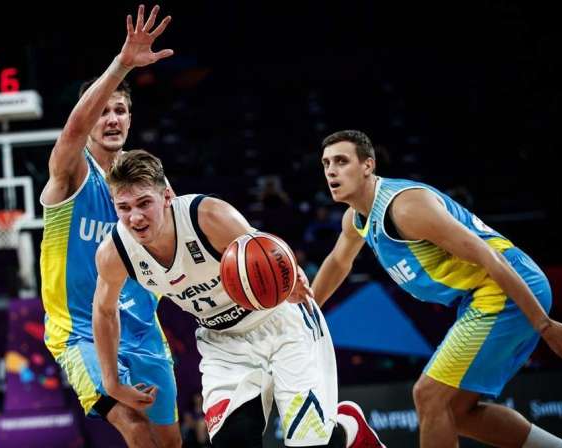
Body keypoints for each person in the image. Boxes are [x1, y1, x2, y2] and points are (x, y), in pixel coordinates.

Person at [93, 150, 385, 448]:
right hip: (223, 342)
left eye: (144, 203)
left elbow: (268, 253)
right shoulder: (114, 252)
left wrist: (292, 276)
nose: (135, 217)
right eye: (124, 207)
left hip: (280, 322)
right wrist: (112, 381)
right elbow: (104, 311)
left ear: (166, 196)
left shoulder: (208, 216)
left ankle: (349, 428)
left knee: (311, 443)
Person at [313, 130, 562, 448]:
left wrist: (545, 325)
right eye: (326, 164)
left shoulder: (405, 208)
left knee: (430, 396)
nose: (331, 171)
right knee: (457, 412)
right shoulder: (356, 219)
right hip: (483, 294)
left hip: (506, 287)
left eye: (341, 161)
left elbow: (489, 256)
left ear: (367, 166)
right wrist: (305, 311)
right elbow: (338, 262)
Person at [39, 5, 181, 447]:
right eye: (103, 111)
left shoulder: (147, 180)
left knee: (170, 440)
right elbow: (72, 131)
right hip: (79, 329)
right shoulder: (71, 171)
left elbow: (179, 238)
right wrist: (122, 64)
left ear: (131, 119)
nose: (112, 118)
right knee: (131, 424)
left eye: (120, 110)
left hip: (141, 324)